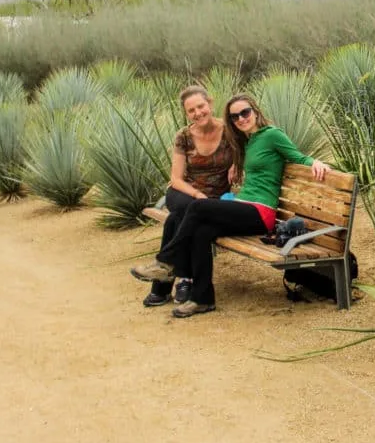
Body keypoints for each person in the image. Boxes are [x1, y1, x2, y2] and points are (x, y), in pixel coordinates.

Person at [130, 93, 330, 318]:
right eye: (235, 117)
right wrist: (236, 164)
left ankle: (166, 263)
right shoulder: (247, 140)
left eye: (245, 112)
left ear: (255, 110)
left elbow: (297, 156)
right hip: (244, 205)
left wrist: (315, 162)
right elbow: (240, 155)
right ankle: (202, 299)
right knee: (201, 231)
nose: (241, 118)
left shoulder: (271, 134)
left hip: (261, 211)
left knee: (197, 207)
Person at [141, 85, 234, 308]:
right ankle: (186, 279)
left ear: (210, 104)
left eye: (201, 106)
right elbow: (176, 178)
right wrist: (197, 194)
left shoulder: (230, 131)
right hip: (184, 193)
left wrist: (239, 164)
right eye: (191, 110)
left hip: (215, 200)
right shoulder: (183, 136)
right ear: (187, 114)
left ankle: (165, 286)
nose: (197, 113)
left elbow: (251, 146)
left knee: (175, 220)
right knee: (188, 210)